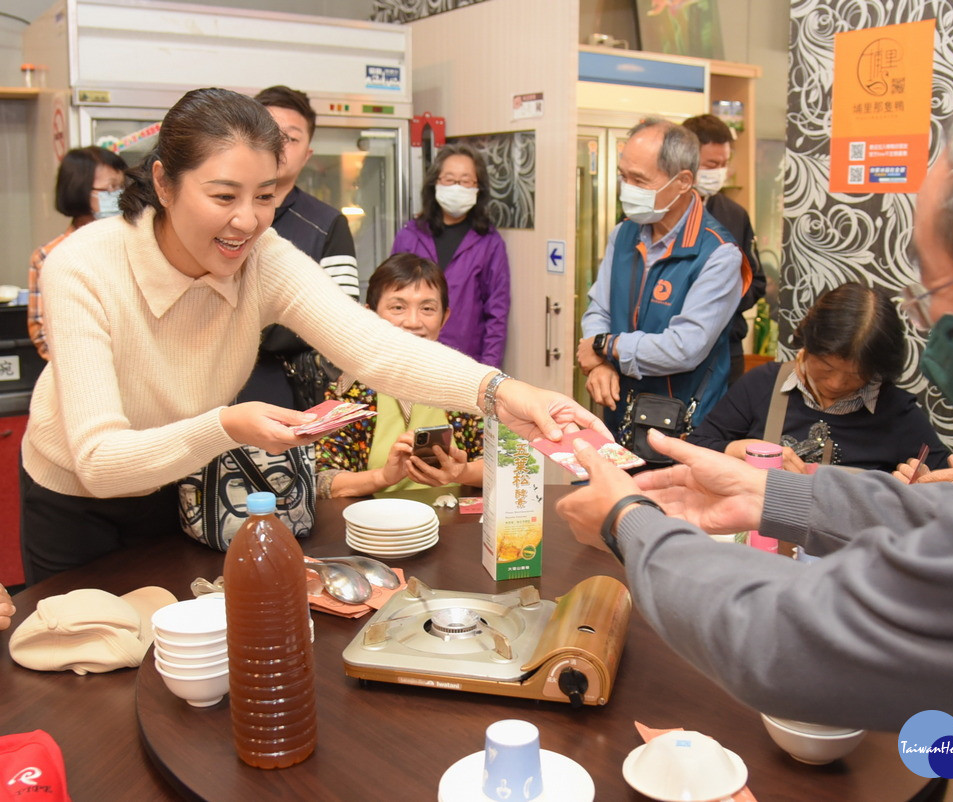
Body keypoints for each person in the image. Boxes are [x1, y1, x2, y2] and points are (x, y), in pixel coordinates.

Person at [557, 64, 953, 793]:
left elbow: (789, 638)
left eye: (937, 299)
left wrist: (629, 519)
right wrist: (777, 497)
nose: (933, 332)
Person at [19, 87, 602, 586]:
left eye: (266, 196)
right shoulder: (83, 268)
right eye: (224, 196)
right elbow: (97, 461)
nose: (247, 221)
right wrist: (226, 426)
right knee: (78, 667)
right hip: (74, 500)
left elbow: (373, 345)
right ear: (164, 184)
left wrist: (506, 393)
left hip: (178, 486)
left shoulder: (263, 258)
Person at [577, 118, 752, 433]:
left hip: (683, 427)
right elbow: (599, 309)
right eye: (623, 176)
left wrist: (605, 346)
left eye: (639, 180)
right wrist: (601, 363)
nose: (627, 188)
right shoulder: (623, 234)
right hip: (620, 416)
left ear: (683, 181)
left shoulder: (719, 253)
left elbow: (684, 348)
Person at [688, 282, 951, 472]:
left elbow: (944, 479)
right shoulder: (761, 385)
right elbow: (696, 447)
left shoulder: (896, 412)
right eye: (826, 367)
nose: (836, 384)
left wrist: (918, 485)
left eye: (856, 375)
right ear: (807, 342)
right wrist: (739, 450)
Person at [315, 253, 484, 497]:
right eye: (398, 307)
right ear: (370, 314)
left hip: (453, 525)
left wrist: (461, 471)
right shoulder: (350, 392)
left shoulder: (463, 384)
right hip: (373, 527)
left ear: (444, 318)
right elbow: (325, 482)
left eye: (427, 308)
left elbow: (502, 466)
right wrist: (384, 476)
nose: (413, 322)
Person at [237, 85, 360, 408]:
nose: (279, 146)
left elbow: (339, 322)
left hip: (287, 396)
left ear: (307, 154)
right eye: (269, 133)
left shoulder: (327, 223)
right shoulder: (218, 212)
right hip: (206, 396)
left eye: (291, 138)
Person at [390, 144, 510, 368]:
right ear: (435, 183)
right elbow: (390, 298)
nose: (457, 187)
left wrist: (488, 370)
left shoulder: (489, 242)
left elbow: (497, 314)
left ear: (478, 188)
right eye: (449, 179)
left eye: (465, 181)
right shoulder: (409, 235)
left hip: (465, 362)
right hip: (410, 356)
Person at [681, 113, 766, 384]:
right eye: (711, 164)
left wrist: (719, 301)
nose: (719, 171)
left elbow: (757, 282)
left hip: (726, 351)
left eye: (724, 164)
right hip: (670, 351)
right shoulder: (658, 215)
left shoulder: (734, 215)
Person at [28, 146, 128, 359]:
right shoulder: (49, 255)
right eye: (110, 188)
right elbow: (42, 332)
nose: (119, 196)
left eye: (122, 187)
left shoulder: (134, 245)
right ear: (79, 190)